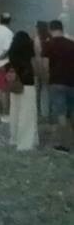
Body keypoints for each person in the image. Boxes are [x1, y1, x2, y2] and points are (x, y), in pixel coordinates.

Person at [42, 20, 74, 153]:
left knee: (61, 114)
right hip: (72, 83)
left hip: (56, 82)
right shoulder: (72, 44)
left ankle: (65, 145)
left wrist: (45, 81)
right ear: (62, 29)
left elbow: (44, 66)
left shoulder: (49, 45)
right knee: (71, 113)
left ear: (51, 29)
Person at [7, 31, 38, 152]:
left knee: (14, 111)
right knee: (27, 113)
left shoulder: (12, 54)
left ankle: (14, 138)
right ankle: (25, 143)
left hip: (15, 85)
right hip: (27, 84)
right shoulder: (27, 55)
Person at [0, 13, 14, 120]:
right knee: (5, 91)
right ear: (10, 21)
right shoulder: (9, 33)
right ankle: (5, 115)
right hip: (4, 64)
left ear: (0, 20)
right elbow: (7, 50)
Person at [34, 20, 51, 119]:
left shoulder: (36, 39)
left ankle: (37, 111)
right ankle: (46, 113)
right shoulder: (50, 39)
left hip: (37, 68)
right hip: (47, 67)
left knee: (37, 90)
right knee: (45, 90)